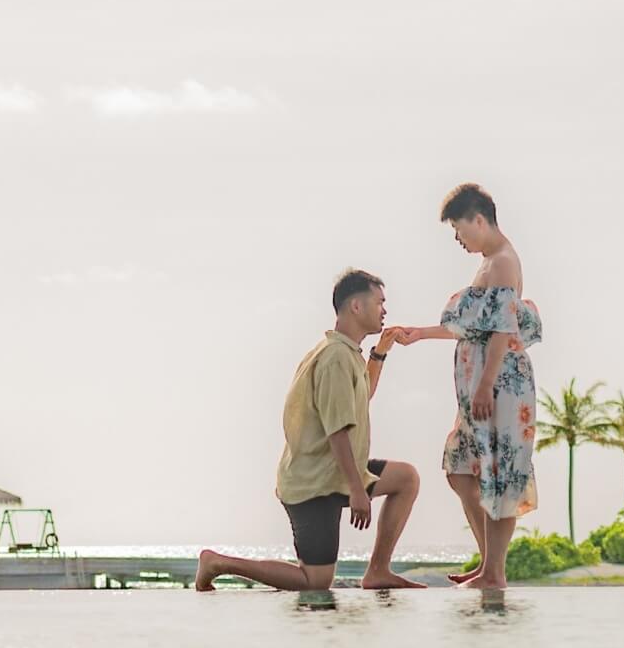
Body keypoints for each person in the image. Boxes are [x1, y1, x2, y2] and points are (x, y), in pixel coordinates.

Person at [196, 269, 424, 592]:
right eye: (379, 302)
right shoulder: (335, 359)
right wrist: (358, 491)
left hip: (336, 474)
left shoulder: (347, 353)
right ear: (356, 307)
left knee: (406, 478)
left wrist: (381, 351)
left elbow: (363, 394)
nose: (385, 310)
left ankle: (378, 570)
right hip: (313, 484)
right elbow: (337, 432)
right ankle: (218, 562)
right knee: (315, 581)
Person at [394, 184, 542, 590]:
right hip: (481, 387)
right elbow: (471, 327)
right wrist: (419, 334)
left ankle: (494, 573)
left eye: (460, 229)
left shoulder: (504, 263)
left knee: (499, 472)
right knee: (461, 470)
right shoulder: (490, 262)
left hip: (499, 388)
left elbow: (500, 330)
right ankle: (488, 563)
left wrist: (485, 386)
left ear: (479, 219)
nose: (458, 239)